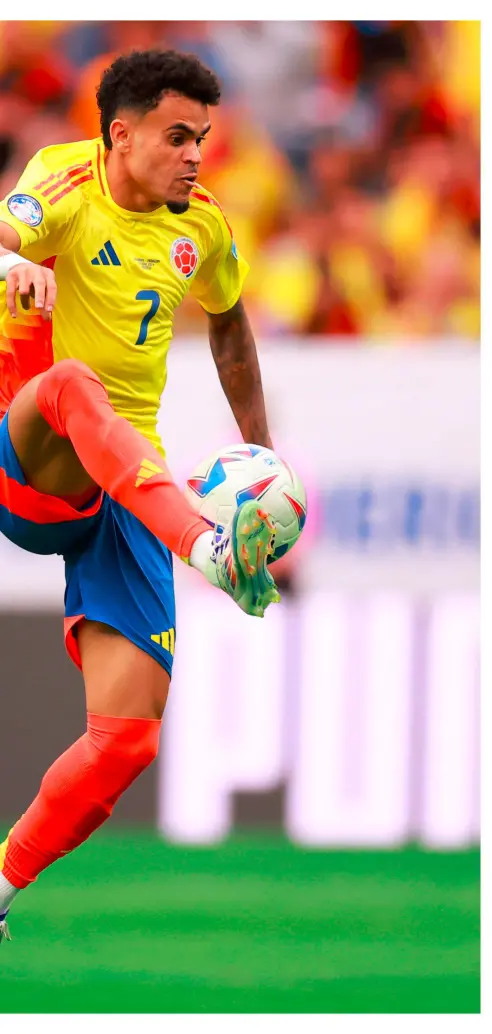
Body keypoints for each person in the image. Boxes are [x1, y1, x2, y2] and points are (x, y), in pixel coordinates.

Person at [0, 48, 281, 940]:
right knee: (75, 382)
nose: (196, 155)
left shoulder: (201, 227)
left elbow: (231, 329)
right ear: (120, 136)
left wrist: (261, 458)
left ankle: (1, 886)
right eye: (176, 136)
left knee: (128, 742)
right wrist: (12, 267)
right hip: (29, 442)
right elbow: (5, 238)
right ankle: (205, 548)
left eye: (203, 137)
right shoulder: (61, 181)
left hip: (128, 481)